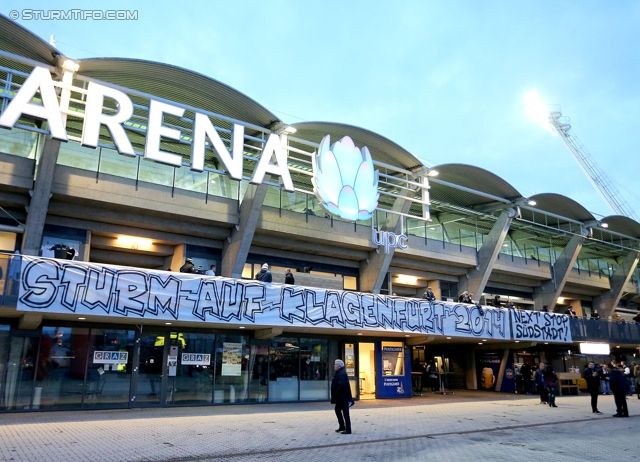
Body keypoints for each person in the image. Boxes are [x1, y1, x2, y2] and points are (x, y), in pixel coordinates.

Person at [331, 359, 353, 434]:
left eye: (335, 365)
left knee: (345, 413)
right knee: (337, 410)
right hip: (341, 397)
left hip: (343, 397)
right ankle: (342, 426)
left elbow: (342, 385)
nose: (334, 366)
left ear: (339, 366)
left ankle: (348, 429)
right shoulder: (339, 373)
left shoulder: (342, 373)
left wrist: (337, 393)